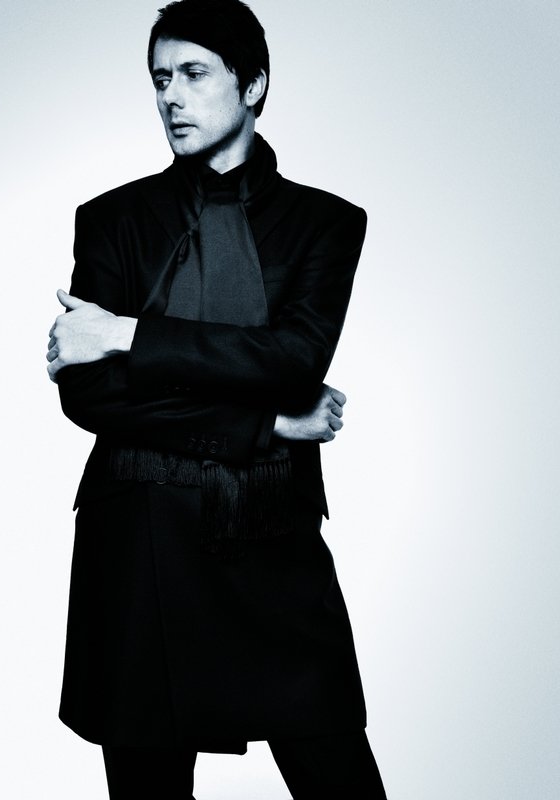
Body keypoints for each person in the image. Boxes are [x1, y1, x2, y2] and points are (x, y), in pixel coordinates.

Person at [47, 0, 387, 797]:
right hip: (140, 543)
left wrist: (129, 335)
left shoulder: (327, 223)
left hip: (272, 531)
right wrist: (264, 421)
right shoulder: (111, 220)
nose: (171, 96)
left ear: (253, 83)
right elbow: (89, 394)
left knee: (336, 773)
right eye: (160, 78)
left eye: (194, 74)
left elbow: (294, 360)